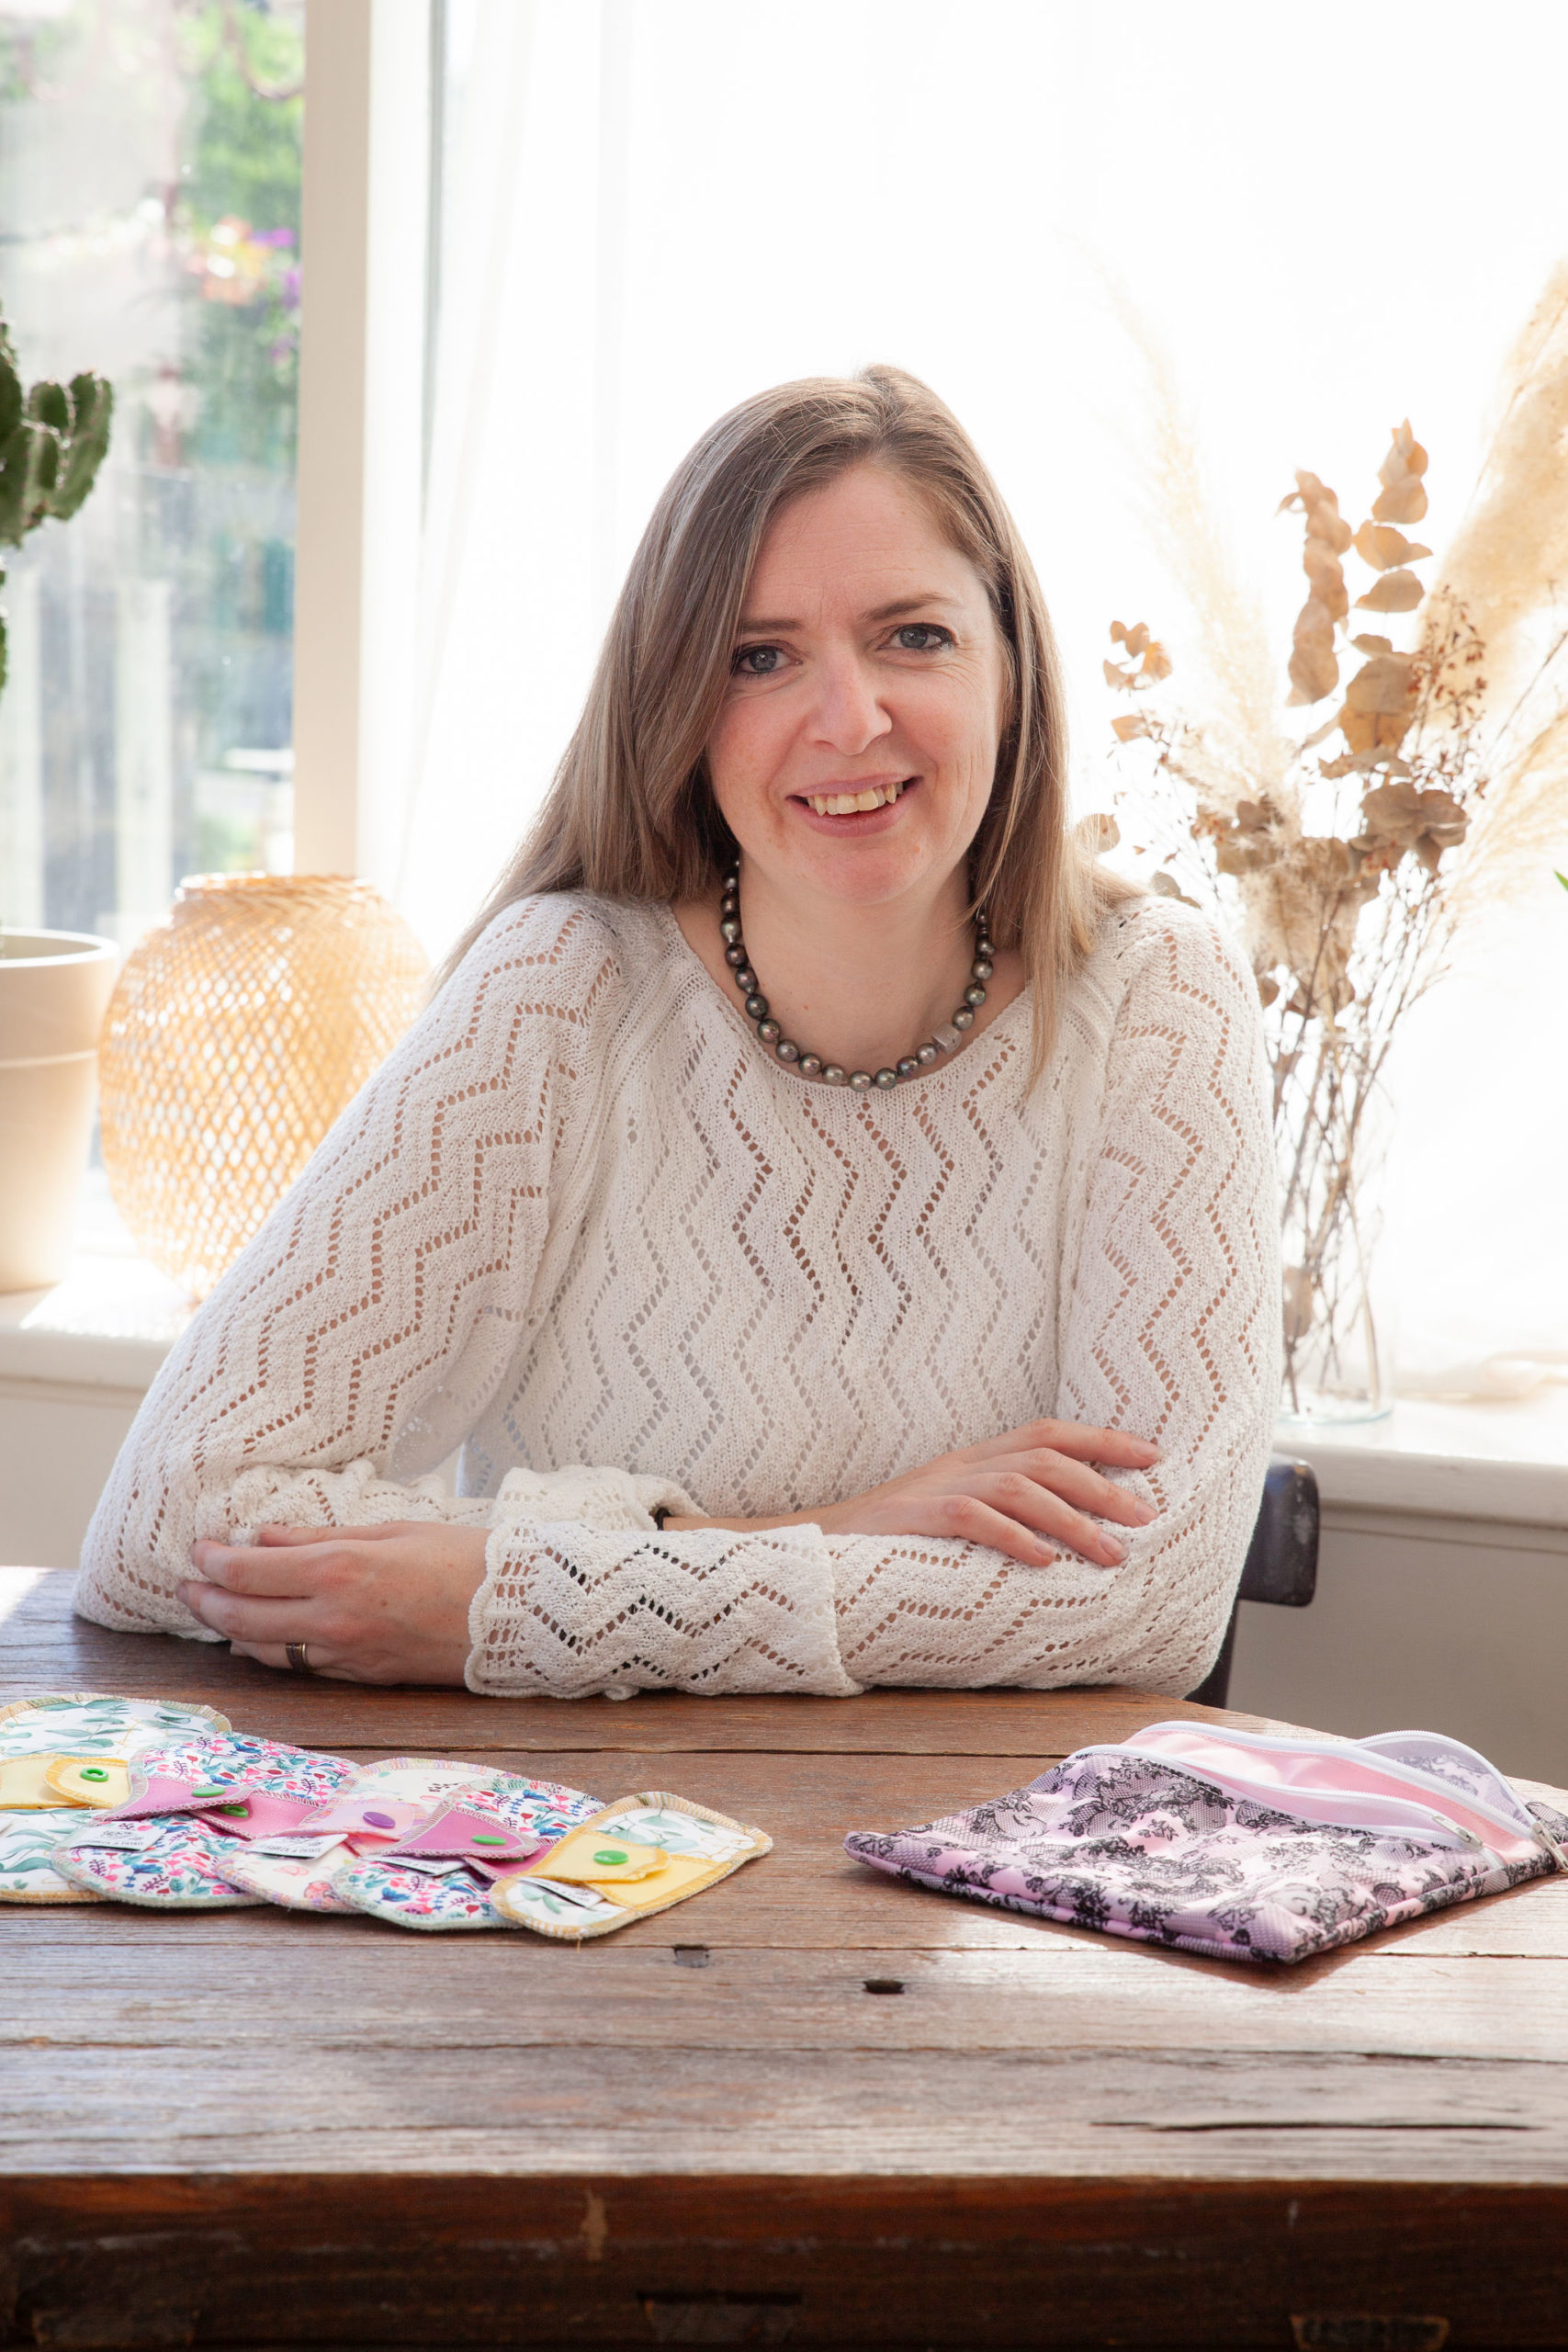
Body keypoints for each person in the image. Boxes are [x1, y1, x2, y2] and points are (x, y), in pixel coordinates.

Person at [76, 367, 1280, 1699]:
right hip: (583, 1824)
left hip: (978, 1835)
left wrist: (527, 1594)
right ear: (679, 706)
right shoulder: (559, 994)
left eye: (912, 637)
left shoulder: (1159, 999)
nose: (850, 720)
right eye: (759, 657)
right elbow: (169, 1522)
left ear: (1011, 668)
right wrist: (816, 1538)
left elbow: (1151, 1605)